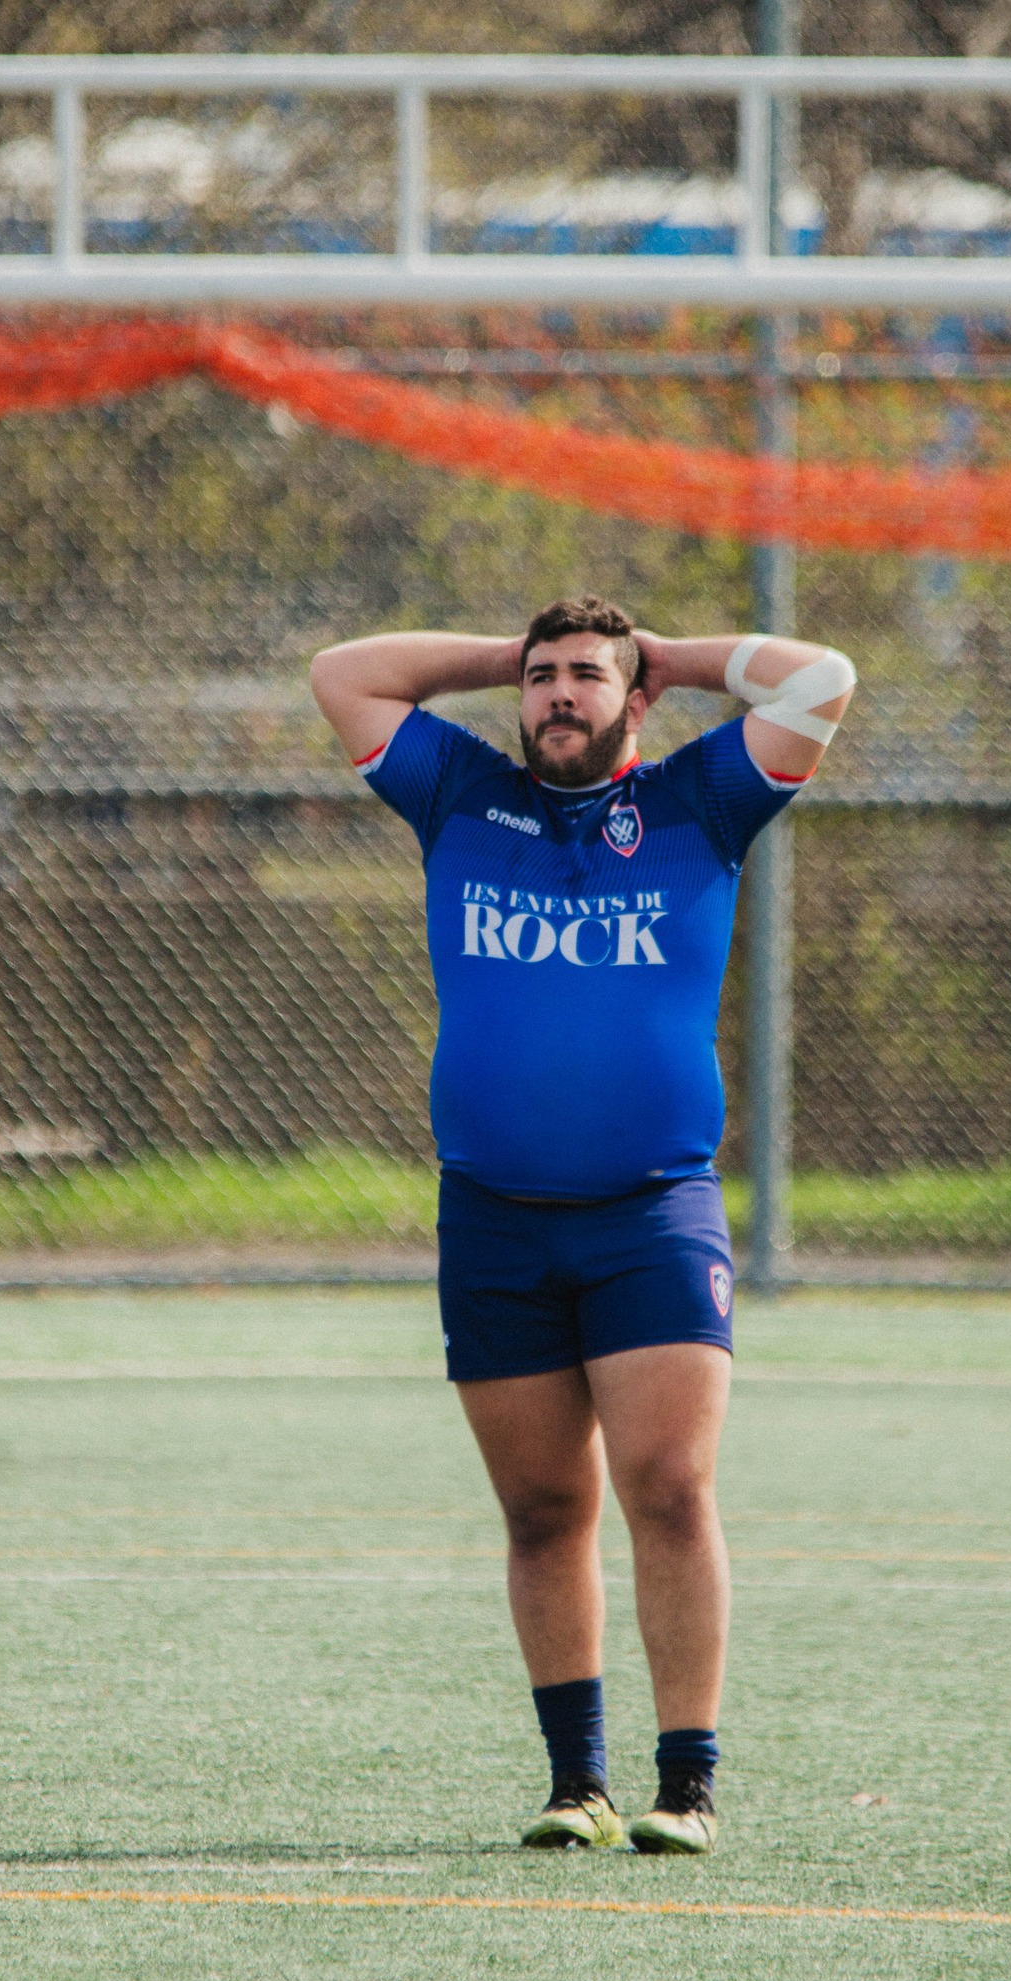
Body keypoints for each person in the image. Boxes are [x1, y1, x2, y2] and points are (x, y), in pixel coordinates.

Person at [310, 594, 854, 1854]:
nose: (559, 693)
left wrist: (678, 656)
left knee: (668, 1486)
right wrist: (500, 653)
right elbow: (344, 674)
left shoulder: (700, 801)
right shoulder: (460, 791)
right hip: (493, 1219)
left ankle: (687, 1785)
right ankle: (578, 1783)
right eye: (542, 676)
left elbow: (822, 676)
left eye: (588, 676)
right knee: (546, 1509)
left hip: (652, 1211)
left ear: (636, 696)